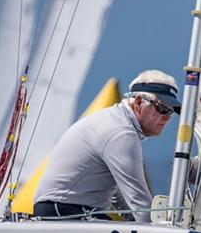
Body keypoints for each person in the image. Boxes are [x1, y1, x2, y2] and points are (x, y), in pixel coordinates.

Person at [33, 70, 181, 222]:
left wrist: (135, 220)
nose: (167, 117)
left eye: (170, 111)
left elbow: (120, 196)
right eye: (162, 108)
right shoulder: (122, 133)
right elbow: (140, 203)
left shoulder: (114, 120)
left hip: (58, 210)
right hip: (65, 211)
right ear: (137, 103)